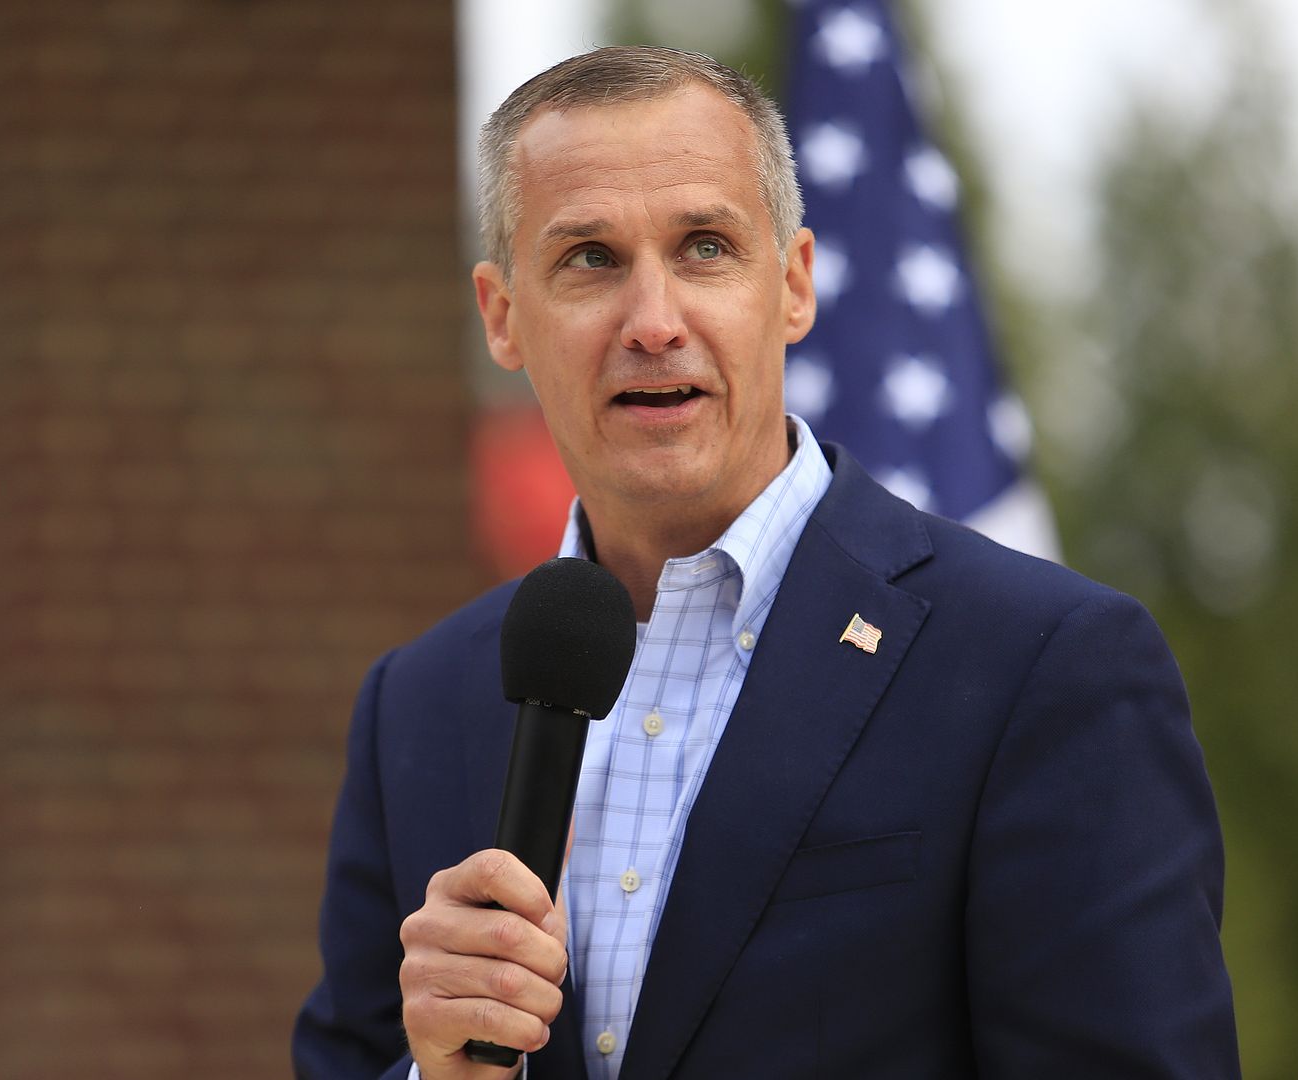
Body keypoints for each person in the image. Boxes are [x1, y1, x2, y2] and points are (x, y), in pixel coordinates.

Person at [293, 46, 1239, 1080]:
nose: (653, 323)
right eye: (590, 259)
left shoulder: (1045, 667)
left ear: (792, 286)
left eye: (704, 247)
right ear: (503, 314)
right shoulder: (416, 706)